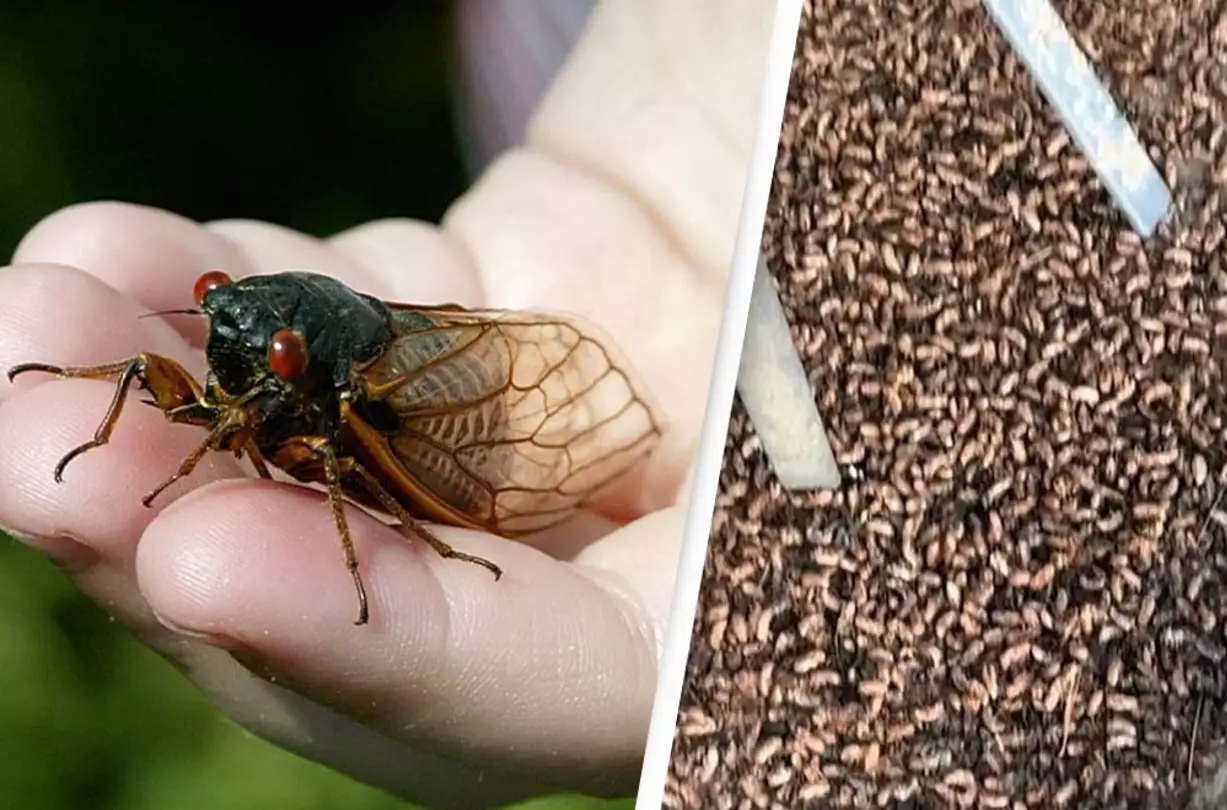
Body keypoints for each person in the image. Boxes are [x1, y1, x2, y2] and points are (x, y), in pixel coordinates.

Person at [0, 2, 774, 807]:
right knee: (138, 367)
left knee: (339, 452)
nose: (215, 321)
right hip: (541, 68)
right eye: (210, 301)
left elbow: (325, 455)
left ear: (295, 362)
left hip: (411, 402)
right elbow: (212, 396)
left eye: (276, 357)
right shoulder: (245, 342)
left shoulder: (323, 387)